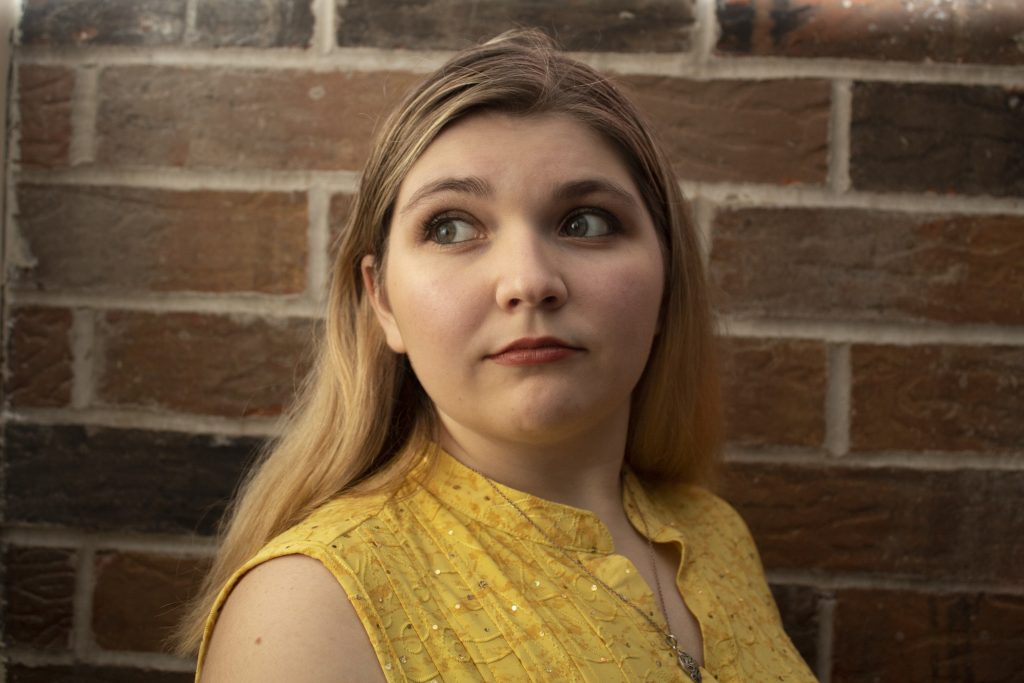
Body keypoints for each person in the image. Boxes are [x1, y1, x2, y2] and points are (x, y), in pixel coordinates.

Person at [178, 29, 818, 683]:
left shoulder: (714, 533)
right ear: (383, 301)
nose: (529, 281)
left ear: (667, 279)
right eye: (452, 227)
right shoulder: (309, 609)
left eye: (586, 222)